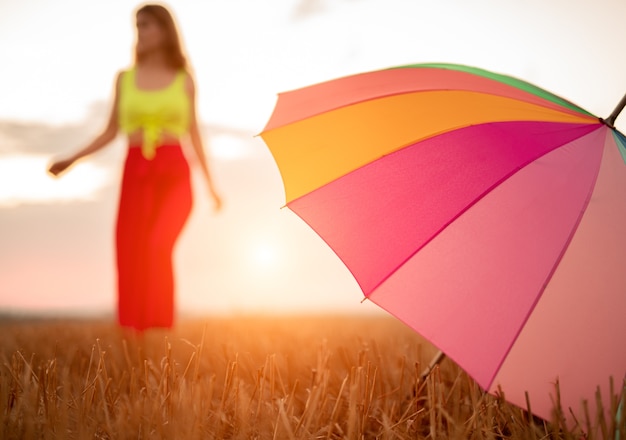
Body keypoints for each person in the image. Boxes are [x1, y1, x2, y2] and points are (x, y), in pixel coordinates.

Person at [48, 4, 222, 331]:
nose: (140, 31)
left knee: (158, 245)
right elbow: (110, 131)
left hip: (174, 171)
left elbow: (195, 133)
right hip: (136, 170)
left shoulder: (184, 80)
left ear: (166, 31)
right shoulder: (124, 79)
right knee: (131, 253)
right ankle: (135, 336)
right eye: (137, 25)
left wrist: (212, 187)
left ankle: (161, 330)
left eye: (147, 25)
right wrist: (71, 159)